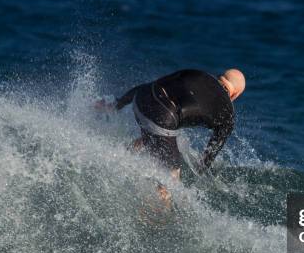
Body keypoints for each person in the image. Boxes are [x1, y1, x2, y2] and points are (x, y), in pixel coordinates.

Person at [96, 68, 245, 181]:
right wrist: (199, 176)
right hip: (161, 118)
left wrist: (118, 104)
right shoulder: (228, 115)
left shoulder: (196, 73)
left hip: (141, 98)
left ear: (220, 77)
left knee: (158, 134)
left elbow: (152, 86)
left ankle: (118, 154)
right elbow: (207, 158)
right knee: (173, 178)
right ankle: (161, 217)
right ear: (235, 95)